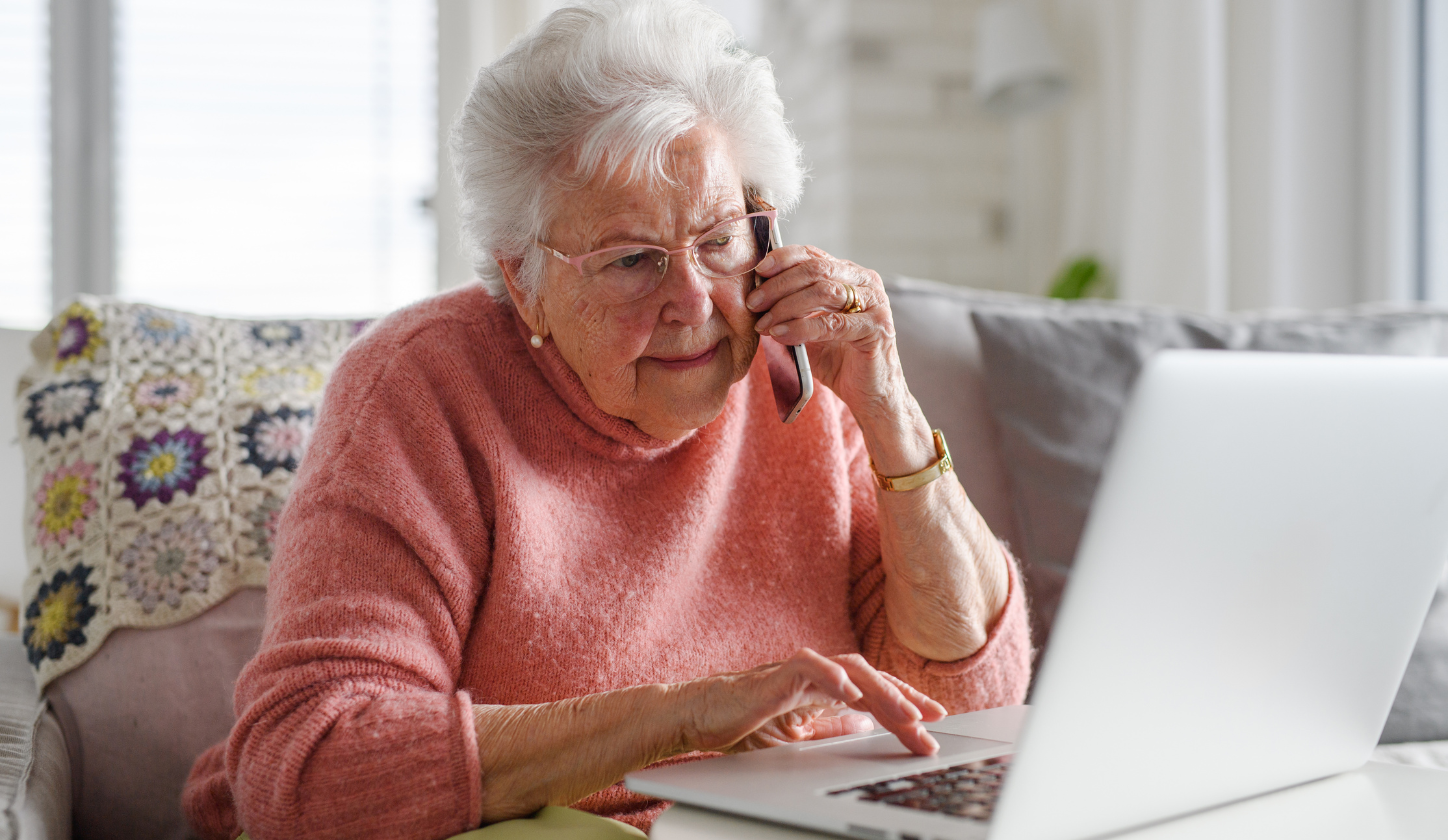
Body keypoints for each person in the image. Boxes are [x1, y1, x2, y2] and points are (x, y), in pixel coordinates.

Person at [183, 2, 1031, 838]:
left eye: (720, 240)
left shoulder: (799, 379)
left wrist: (890, 412)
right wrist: (680, 718)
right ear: (525, 284)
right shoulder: (421, 392)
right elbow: (311, 766)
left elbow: (969, 708)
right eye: (632, 260)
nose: (693, 299)